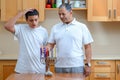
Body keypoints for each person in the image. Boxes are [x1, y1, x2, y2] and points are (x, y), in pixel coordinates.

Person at [46, 3, 93, 77]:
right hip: (59, 66)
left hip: (77, 66)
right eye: (59, 14)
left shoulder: (81, 27)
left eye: (63, 14)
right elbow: (50, 45)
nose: (61, 16)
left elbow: (88, 47)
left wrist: (88, 64)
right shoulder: (55, 28)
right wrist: (45, 49)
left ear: (71, 12)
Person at [4, 9, 48, 73]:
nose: (34, 23)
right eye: (31, 20)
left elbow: (45, 51)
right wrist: (20, 13)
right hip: (23, 69)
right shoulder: (21, 29)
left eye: (36, 20)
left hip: (39, 70)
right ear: (26, 20)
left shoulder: (43, 31)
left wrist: (47, 68)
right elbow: (7, 26)